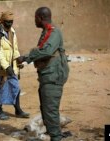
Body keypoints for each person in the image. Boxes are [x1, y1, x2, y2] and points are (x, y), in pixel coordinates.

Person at [17, 7, 69, 141]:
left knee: (50, 111)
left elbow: (46, 51)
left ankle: (56, 137)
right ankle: (54, 136)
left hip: (53, 77)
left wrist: (27, 57)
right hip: (47, 76)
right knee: (46, 109)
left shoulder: (54, 32)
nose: (34, 20)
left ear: (40, 18)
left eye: (35, 18)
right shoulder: (46, 32)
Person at [0, 11, 29, 120]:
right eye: (7, 22)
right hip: (1, 66)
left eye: (11, 22)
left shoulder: (12, 32)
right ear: (2, 21)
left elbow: (15, 48)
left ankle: (18, 109)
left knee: (15, 87)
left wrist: (18, 60)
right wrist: (6, 66)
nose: (9, 24)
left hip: (12, 65)